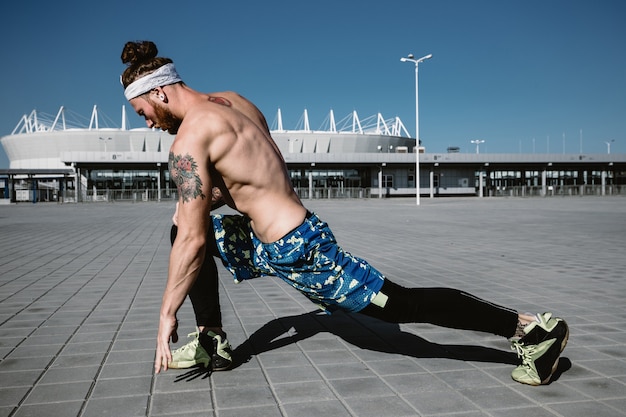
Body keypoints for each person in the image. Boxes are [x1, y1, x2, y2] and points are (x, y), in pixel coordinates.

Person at [120, 40, 568, 386]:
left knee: (400, 305)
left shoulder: (188, 141)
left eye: (143, 112)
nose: (148, 123)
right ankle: (213, 340)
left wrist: (165, 314)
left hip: (303, 253)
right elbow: (258, 171)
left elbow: (197, 240)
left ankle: (529, 331)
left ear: (159, 91)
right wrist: (207, 204)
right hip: (274, 239)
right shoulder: (232, 101)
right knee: (179, 224)